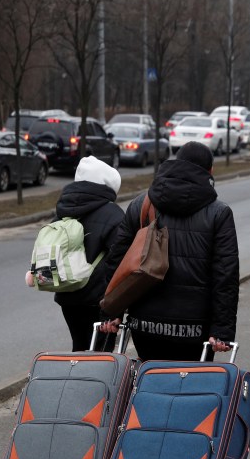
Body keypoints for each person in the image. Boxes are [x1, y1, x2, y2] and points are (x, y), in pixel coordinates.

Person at [100, 141, 238, 361]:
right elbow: (225, 275)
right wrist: (222, 330)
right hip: (195, 329)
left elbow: (117, 261)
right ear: (210, 171)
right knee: (192, 389)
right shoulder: (219, 213)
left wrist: (111, 312)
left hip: (145, 324)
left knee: (150, 384)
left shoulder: (141, 205)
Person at [41, 156, 125, 351]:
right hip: (99, 299)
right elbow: (120, 261)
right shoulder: (113, 215)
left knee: (78, 347)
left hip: (67, 294)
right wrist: (116, 306)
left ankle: (76, 379)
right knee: (101, 355)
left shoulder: (62, 209)